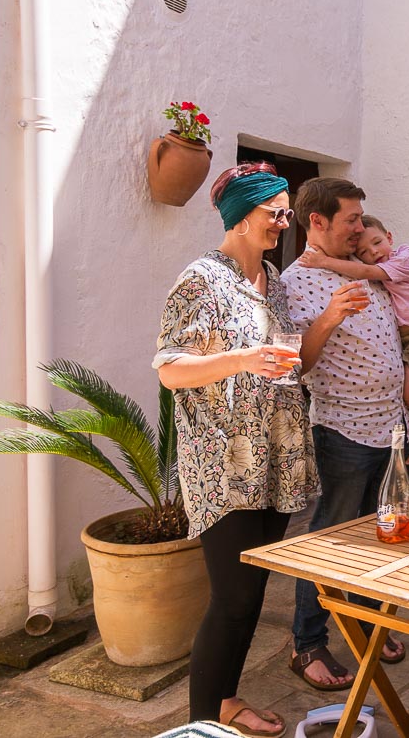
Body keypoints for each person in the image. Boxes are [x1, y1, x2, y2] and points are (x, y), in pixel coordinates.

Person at [154, 162, 320, 738]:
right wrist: (243, 360)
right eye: (276, 211)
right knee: (230, 596)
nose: (284, 221)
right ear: (241, 214)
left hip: (273, 457)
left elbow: (287, 358)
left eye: (286, 212)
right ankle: (202, 723)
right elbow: (171, 369)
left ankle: (224, 702)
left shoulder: (272, 279)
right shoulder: (200, 279)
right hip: (220, 464)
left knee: (250, 593)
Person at [283, 177, 409, 690]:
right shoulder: (296, 281)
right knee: (329, 537)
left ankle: (371, 623)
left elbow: (388, 335)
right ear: (318, 221)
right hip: (344, 432)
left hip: (391, 427)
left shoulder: (369, 271)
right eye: (351, 218)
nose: (359, 227)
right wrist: (330, 316)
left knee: (384, 533)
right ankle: (307, 643)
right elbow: (298, 363)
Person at [298, 214, 409, 465]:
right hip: (349, 429)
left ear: (389, 237)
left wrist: (322, 260)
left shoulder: (401, 259)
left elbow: (364, 271)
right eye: (363, 250)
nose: (374, 252)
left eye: (377, 243)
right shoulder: (298, 280)